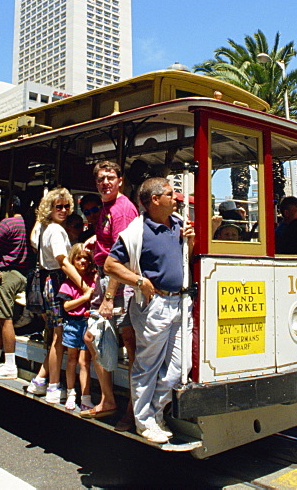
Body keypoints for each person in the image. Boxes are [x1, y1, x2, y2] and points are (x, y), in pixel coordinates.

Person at [104, 177, 195, 444]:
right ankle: (145, 423)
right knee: (147, 366)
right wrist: (139, 281)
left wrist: (190, 242)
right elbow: (111, 265)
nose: (175, 197)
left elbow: (186, 259)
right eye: (169, 194)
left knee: (180, 366)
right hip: (154, 307)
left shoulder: (179, 224)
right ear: (155, 200)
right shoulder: (137, 230)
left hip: (179, 303)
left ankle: (154, 414)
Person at [86, 161, 140, 424]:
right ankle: (108, 399)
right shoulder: (108, 207)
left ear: (120, 180)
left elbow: (123, 257)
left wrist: (109, 297)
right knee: (92, 337)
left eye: (109, 178)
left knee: (130, 344)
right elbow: (110, 243)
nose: (104, 183)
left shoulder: (122, 209)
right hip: (104, 277)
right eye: (100, 179)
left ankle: (133, 408)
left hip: (117, 284)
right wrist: (94, 241)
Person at [26, 188, 75, 403]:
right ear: (50, 209)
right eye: (59, 207)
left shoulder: (44, 228)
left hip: (47, 283)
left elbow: (33, 241)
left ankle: (39, 380)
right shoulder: (55, 230)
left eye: (66, 206)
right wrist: (83, 285)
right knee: (59, 338)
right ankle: (54, 386)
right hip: (57, 283)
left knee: (55, 336)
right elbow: (62, 260)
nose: (63, 210)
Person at [0, 195, 33, 380]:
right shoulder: (28, 225)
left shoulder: (7, 223)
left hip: (6, 274)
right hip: (21, 273)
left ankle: (10, 364)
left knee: (4, 319)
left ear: (11, 206)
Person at [58, 243, 97, 411]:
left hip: (87, 323)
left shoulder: (93, 278)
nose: (83, 261)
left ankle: (86, 397)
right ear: (72, 260)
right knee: (72, 359)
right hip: (73, 323)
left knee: (85, 361)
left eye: (86, 258)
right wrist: (85, 297)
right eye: (79, 258)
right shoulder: (67, 284)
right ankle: (71, 393)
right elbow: (66, 306)